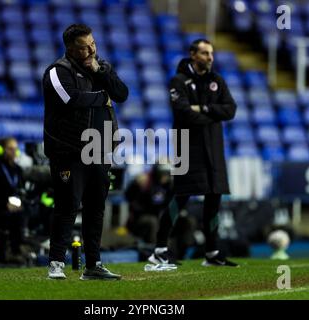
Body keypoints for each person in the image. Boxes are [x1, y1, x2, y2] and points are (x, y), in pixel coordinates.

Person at [42, 24, 128, 280]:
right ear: (70, 48)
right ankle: (56, 263)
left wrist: (100, 72)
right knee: (67, 206)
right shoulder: (58, 71)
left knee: (95, 208)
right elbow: (70, 99)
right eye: (84, 47)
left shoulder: (101, 67)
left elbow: (122, 94)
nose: (90, 49)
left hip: (99, 150)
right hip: (68, 151)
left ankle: (93, 264)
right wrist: (102, 97)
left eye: (92, 44)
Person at [148, 39, 239, 267]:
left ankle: (212, 253)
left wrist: (204, 109)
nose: (210, 57)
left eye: (211, 54)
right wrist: (212, 116)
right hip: (185, 146)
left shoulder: (217, 80)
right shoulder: (178, 81)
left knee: (214, 198)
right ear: (192, 54)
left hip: (214, 149)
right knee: (180, 197)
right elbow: (183, 113)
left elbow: (231, 109)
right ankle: (159, 248)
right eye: (205, 53)